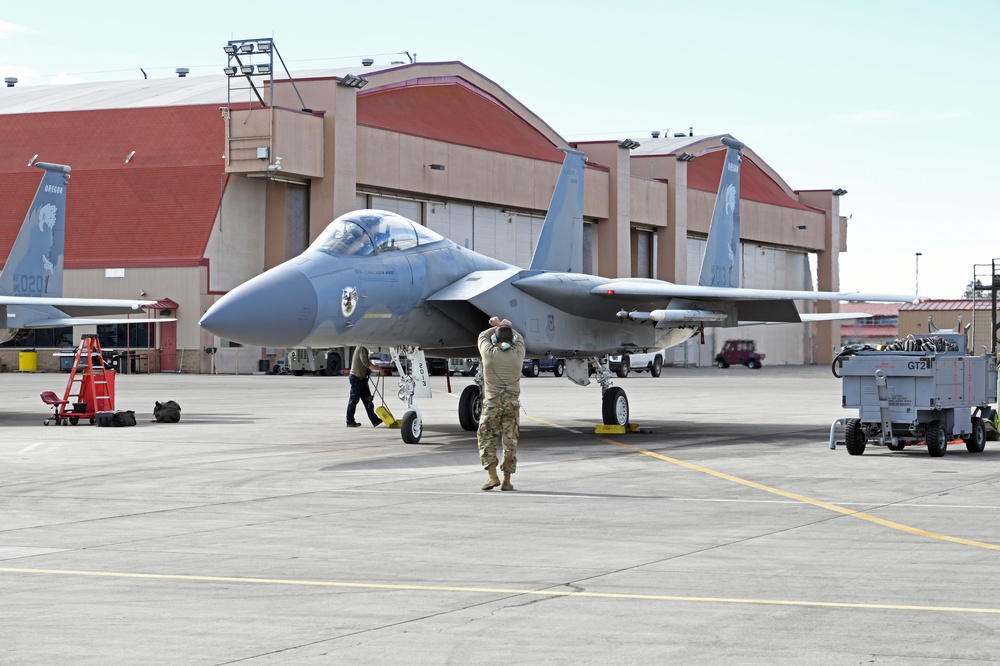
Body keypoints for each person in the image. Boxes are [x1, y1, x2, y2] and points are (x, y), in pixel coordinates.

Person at [476, 316, 526, 491]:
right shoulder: (518, 354)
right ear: (511, 339)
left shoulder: (488, 354)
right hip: (512, 404)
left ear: (495, 339)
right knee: (510, 441)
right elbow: (519, 337)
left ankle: (492, 477)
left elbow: (482, 336)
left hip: (492, 404)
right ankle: (507, 481)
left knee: (486, 438)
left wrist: (496, 326)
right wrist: (505, 326)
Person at [347, 346, 384, 428]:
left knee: (368, 400)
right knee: (353, 401)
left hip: (362, 379)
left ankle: (374, 420)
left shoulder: (362, 348)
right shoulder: (362, 348)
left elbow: (364, 364)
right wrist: (379, 369)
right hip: (357, 378)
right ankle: (349, 421)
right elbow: (366, 363)